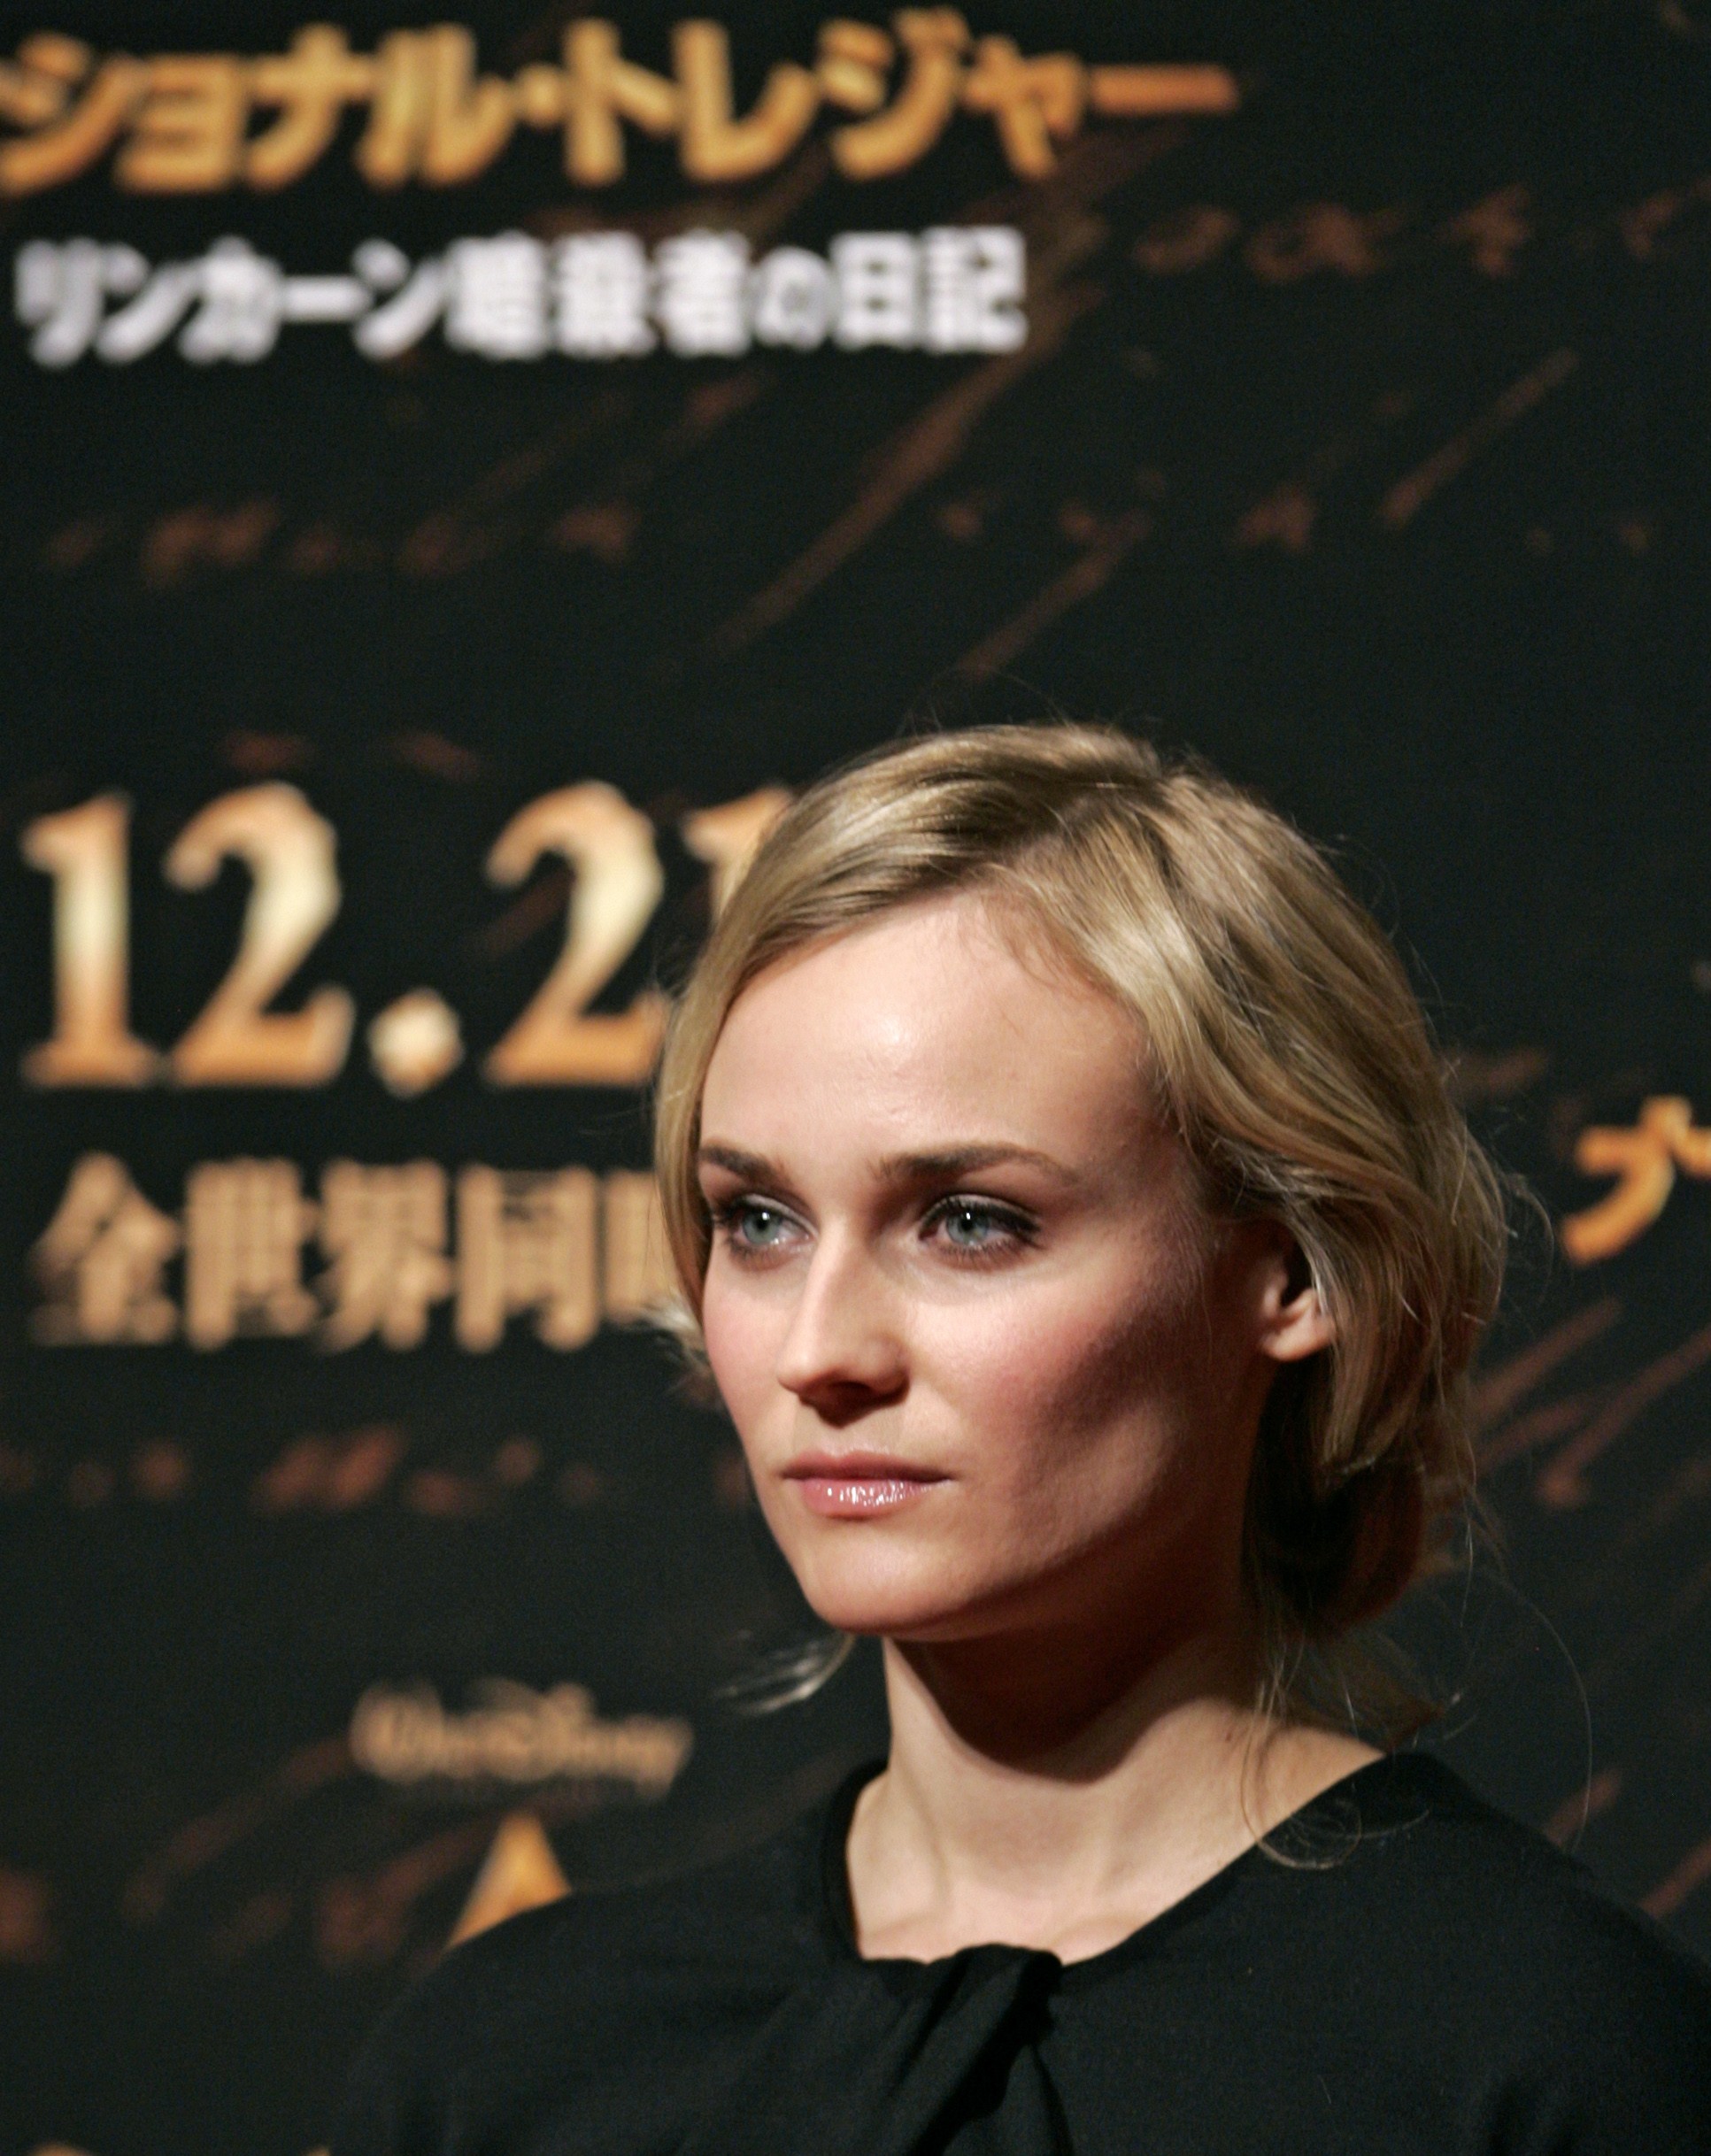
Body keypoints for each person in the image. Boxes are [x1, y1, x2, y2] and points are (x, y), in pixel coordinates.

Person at [334, 725, 1711, 2155]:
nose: (818, 1351)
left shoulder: (1546, 2061)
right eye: (758, 1221)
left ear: (1297, 1270)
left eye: (969, 1223)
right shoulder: (506, 2065)